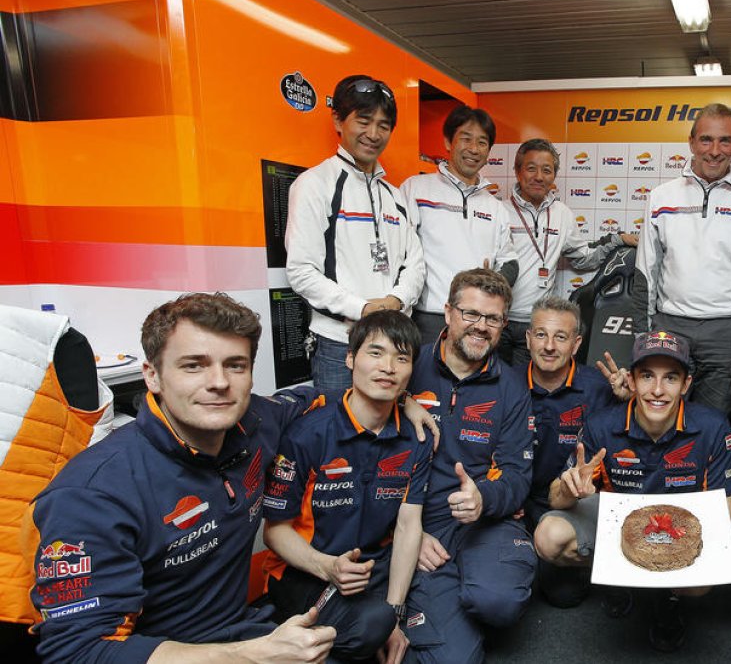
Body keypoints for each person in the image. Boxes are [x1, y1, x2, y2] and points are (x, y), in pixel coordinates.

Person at [27, 293, 335, 664]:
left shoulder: (256, 420)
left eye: (236, 365)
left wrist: (393, 404)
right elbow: (79, 652)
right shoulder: (92, 495)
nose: (219, 382)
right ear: (152, 376)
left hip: (244, 626)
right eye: (193, 366)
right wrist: (253, 655)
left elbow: (318, 399)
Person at [533, 330, 731, 652]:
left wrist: (675, 549)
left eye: (670, 378)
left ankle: (666, 598)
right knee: (549, 537)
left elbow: (725, 509)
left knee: (702, 581)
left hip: (679, 524)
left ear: (686, 384)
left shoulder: (713, 427)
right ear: (631, 380)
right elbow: (555, 497)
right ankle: (620, 578)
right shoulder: (602, 425)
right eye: (647, 376)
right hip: (618, 518)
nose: (657, 390)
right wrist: (571, 489)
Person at [262, 310, 431, 663]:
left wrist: (395, 613)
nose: (388, 367)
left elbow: (407, 524)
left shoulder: (415, 438)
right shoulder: (308, 433)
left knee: (418, 636)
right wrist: (326, 567)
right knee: (371, 625)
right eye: (376, 353)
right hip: (305, 570)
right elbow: (275, 532)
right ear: (351, 358)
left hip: (372, 568)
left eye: (401, 358)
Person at [404, 268, 535, 663]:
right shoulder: (407, 367)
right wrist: (407, 534)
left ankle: (471, 594)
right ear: (447, 312)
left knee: (498, 600)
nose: (481, 326)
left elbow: (517, 476)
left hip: (484, 520)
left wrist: (484, 498)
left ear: (504, 325)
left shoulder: (512, 388)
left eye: (492, 318)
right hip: (421, 522)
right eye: (471, 313)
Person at [286, 74, 426, 392]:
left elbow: (415, 264)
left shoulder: (395, 196)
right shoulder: (314, 185)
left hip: (393, 342)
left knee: (393, 423)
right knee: (338, 424)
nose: (373, 134)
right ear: (338, 120)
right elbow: (301, 271)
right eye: (363, 121)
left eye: (383, 125)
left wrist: (395, 300)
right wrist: (362, 309)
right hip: (339, 345)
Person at [633, 103, 731, 415]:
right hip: (669, 328)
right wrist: (642, 338)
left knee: (712, 426)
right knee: (660, 419)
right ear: (691, 142)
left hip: (725, 337)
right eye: (706, 140)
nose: (715, 151)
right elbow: (645, 273)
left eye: (725, 141)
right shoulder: (660, 197)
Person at [520, 296, 623, 607]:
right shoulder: (508, 383)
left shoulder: (599, 388)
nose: (549, 346)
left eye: (561, 337)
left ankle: (621, 568)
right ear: (528, 338)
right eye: (541, 334)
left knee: (564, 596)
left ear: (576, 344)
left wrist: (626, 401)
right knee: (508, 586)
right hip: (518, 500)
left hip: (574, 502)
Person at [500, 138, 637, 368]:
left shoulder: (562, 214)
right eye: (531, 168)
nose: (539, 176)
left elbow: (583, 257)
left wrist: (618, 240)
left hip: (538, 323)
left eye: (547, 170)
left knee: (528, 385)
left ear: (554, 176)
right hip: (498, 321)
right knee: (494, 384)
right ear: (517, 170)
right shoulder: (499, 211)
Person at [396, 105, 518, 343]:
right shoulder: (416, 189)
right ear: (448, 142)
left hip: (476, 321)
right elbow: (400, 251)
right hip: (427, 319)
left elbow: (510, 261)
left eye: (482, 142)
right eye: (466, 138)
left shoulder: (495, 207)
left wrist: (492, 282)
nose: (474, 149)